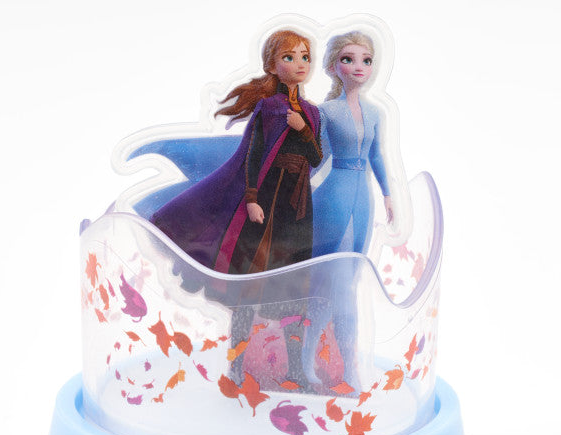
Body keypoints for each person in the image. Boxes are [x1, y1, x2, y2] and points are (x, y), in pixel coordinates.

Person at [151, 29, 322, 388]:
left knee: (296, 289)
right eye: (289, 57)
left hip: (298, 208)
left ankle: (294, 370)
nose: (300, 63)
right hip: (267, 204)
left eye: (305, 56)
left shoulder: (311, 113)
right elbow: (252, 155)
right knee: (249, 287)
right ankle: (235, 367)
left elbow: (316, 157)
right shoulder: (268, 108)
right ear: (272, 65)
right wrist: (252, 198)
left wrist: (303, 129)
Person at [303, 31, 392, 390]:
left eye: (366, 60)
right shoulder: (326, 112)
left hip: (364, 201)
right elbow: (316, 157)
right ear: (333, 66)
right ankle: (340, 367)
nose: (359, 67)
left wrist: (388, 194)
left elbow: (377, 156)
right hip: (333, 197)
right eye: (348, 59)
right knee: (334, 283)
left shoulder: (375, 113)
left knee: (348, 280)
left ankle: (323, 363)